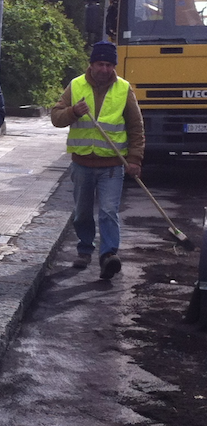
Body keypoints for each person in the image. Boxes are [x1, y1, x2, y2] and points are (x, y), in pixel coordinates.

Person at [51, 41, 145, 279]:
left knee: (108, 211)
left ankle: (108, 255)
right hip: (82, 164)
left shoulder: (124, 89)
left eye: (109, 64)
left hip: (112, 165)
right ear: (91, 64)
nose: (104, 69)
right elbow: (56, 118)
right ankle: (84, 250)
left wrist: (135, 159)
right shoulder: (75, 85)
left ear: (113, 66)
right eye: (100, 64)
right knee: (82, 212)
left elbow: (136, 127)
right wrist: (73, 111)